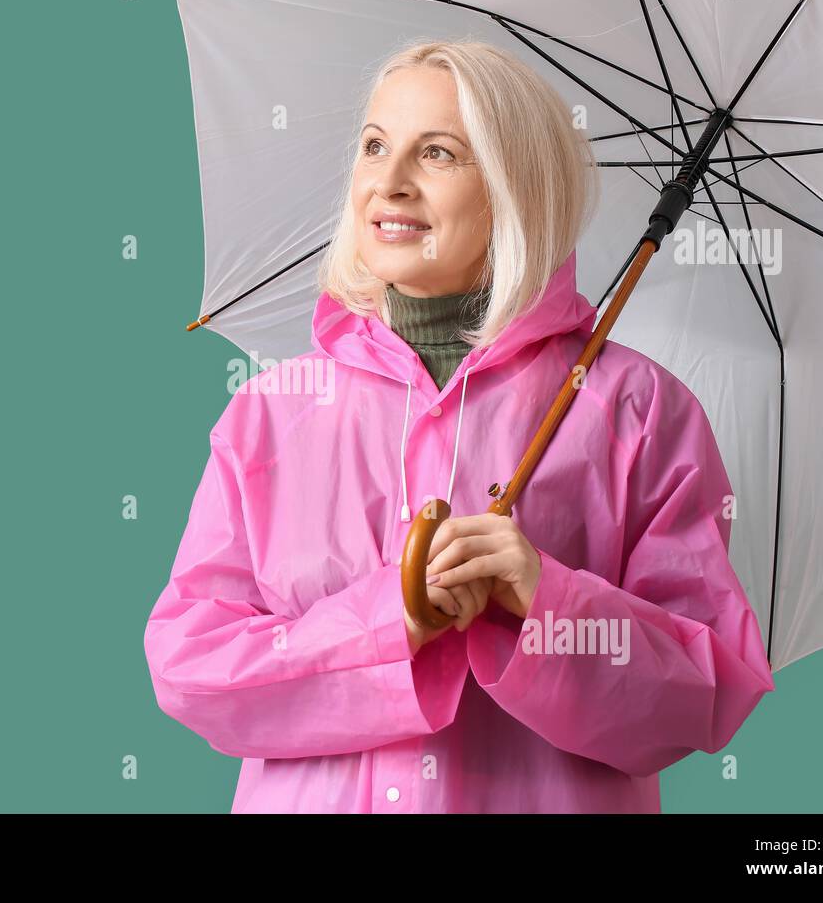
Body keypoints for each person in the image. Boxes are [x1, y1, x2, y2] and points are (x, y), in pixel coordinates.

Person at [144, 40, 775, 813]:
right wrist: (388, 623)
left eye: (437, 152)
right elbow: (192, 667)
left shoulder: (637, 410)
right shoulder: (273, 413)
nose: (390, 181)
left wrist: (546, 597)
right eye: (375, 145)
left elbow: (701, 698)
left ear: (517, 186)